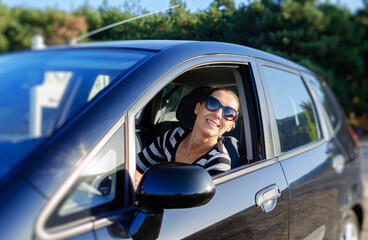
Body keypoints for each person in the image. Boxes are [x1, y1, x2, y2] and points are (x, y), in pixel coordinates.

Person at [135, 86, 240, 185]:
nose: (217, 114)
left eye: (229, 113)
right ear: (197, 108)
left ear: (229, 127)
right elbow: (136, 165)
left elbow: (195, 203)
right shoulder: (173, 135)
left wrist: (143, 183)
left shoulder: (219, 163)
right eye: (212, 104)